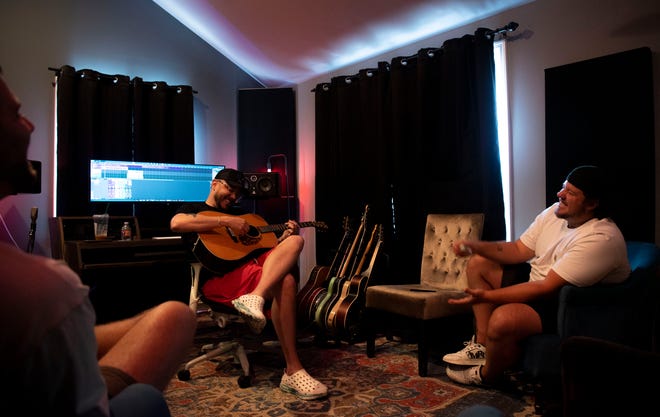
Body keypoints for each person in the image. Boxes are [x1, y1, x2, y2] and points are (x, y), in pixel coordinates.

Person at [0, 69, 198, 416]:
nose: (30, 126)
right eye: (16, 115)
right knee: (152, 389)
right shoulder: (45, 289)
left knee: (174, 315)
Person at [443, 165, 630, 386]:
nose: (560, 195)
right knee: (479, 264)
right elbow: (519, 249)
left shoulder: (601, 238)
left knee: (502, 319)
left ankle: (486, 376)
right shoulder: (554, 213)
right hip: (541, 283)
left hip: (566, 302)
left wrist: (486, 297)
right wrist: (476, 246)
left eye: (571, 193)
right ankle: (481, 347)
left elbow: (546, 288)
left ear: (592, 203)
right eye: (563, 188)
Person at [170, 168, 328, 400]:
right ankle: (293, 370)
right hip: (219, 280)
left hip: (253, 273)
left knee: (294, 240)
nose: (234, 197)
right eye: (230, 189)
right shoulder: (193, 209)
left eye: (238, 194)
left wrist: (282, 238)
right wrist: (227, 221)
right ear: (214, 184)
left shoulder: (246, 216)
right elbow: (176, 223)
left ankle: (256, 296)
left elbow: (265, 249)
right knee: (285, 281)